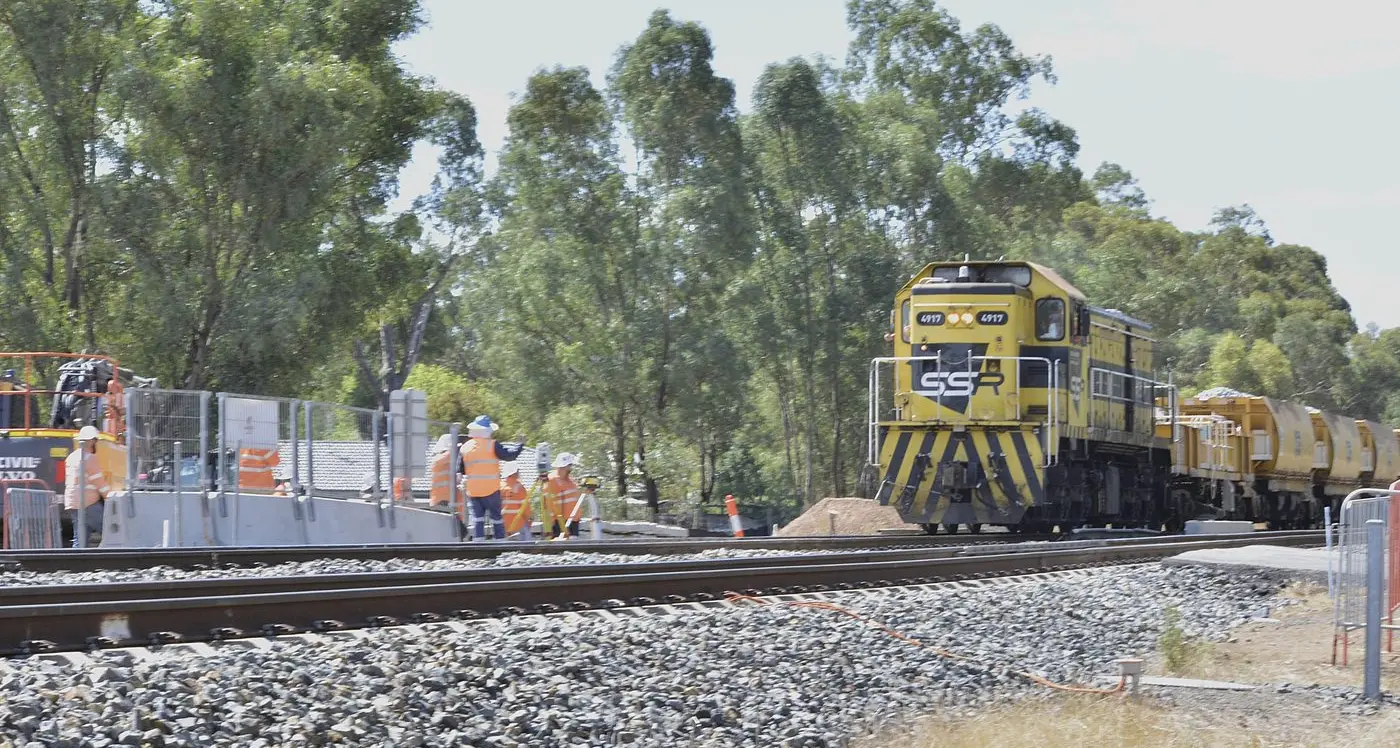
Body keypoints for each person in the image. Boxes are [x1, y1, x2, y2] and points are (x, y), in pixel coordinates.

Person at [458, 415, 525, 540]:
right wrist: (520, 445)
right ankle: (499, 541)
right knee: (496, 518)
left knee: (478, 519)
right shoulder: (492, 445)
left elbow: (461, 469)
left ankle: (478, 543)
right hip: (491, 490)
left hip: (473, 491)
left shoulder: (465, 447)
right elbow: (509, 456)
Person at [64, 426, 109, 547]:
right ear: (91, 441)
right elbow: (99, 482)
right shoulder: (90, 458)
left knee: (80, 539)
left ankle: (76, 564)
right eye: (95, 440)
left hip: (73, 502)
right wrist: (110, 497)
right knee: (110, 531)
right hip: (88, 503)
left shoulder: (71, 457)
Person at [541, 452, 582, 540]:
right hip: (559, 521)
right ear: (564, 466)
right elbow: (547, 503)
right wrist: (550, 522)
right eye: (570, 465)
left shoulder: (571, 479)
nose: (571, 468)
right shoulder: (552, 480)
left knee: (573, 547)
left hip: (573, 520)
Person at [500, 462, 531, 540]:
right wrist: (529, 520)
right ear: (515, 472)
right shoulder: (519, 487)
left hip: (503, 525)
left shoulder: (500, 486)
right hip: (519, 524)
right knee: (526, 547)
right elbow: (525, 508)